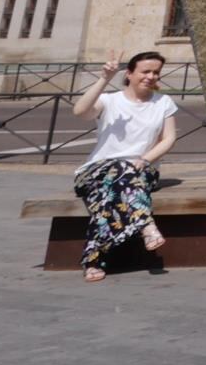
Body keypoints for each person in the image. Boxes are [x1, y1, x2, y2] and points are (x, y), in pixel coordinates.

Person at [70, 51, 179, 281]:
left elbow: (169, 138)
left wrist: (145, 159)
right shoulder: (110, 100)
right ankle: (146, 225)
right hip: (97, 171)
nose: (151, 76)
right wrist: (104, 78)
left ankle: (93, 261)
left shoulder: (163, 102)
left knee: (105, 199)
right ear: (129, 73)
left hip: (141, 171)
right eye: (145, 71)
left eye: (156, 72)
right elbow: (80, 111)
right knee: (119, 170)